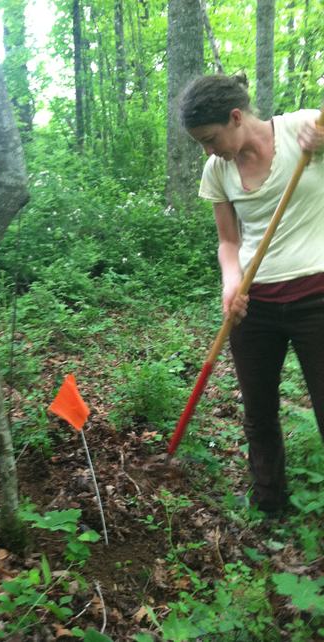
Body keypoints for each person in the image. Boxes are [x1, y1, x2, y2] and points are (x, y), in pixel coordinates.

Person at [178, 74, 324, 514]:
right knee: (259, 413)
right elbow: (228, 241)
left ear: (236, 117)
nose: (208, 150)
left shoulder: (305, 129)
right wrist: (230, 283)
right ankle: (269, 504)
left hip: (317, 296)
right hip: (253, 305)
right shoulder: (217, 170)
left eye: (210, 138)